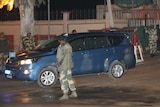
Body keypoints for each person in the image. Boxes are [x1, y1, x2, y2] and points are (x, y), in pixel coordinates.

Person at [56, 34, 78, 100]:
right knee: (69, 78)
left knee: (63, 80)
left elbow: (59, 58)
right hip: (69, 65)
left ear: (59, 41)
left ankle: (65, 94)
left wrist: (58, 64)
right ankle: (74, 92)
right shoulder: (68, 46)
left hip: (63, 66)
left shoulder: (61, 47)